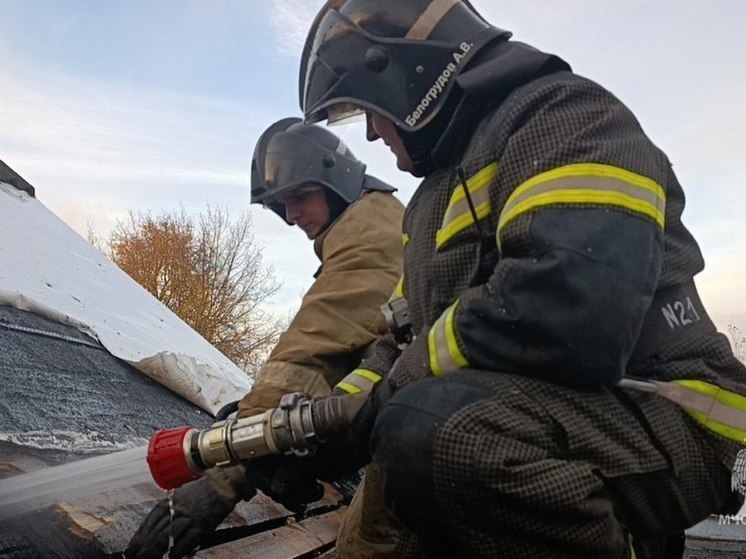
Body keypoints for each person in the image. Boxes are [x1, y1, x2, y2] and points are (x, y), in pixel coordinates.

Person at [277, 1, 746, 557]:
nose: (375, 136)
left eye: (369, 112)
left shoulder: (564, 115)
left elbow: (568, 308)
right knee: (416, 436)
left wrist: (386, 405)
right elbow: (399, 344)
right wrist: (319, 432)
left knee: (438, 435)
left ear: (405, 78)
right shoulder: (432, 202)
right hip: (569, 418)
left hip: (677, 413)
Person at [126, 117, 405, 559]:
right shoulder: (373, 223)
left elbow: (311, 350)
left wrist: (220, 481)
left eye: (298, 197)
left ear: (335, 178)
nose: (291, 216)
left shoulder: (370, 234)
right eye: (281, 204)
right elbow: (366, 352)